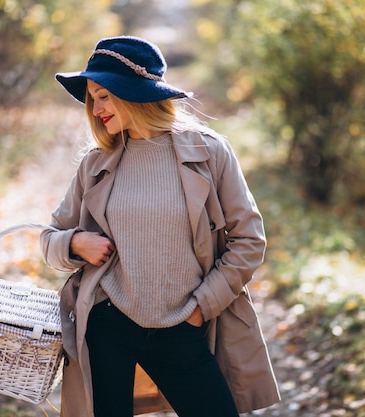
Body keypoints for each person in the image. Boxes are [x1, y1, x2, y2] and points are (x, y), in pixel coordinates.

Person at [40, 36, 280, 417]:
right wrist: (75, 243)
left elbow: (249, 240)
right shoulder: (96, 163)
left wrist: (202, 307)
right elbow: (49, 238)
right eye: (91, 97)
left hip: (182, 328)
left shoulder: (209, 151)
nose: (95, 108)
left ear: (132, 91)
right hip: (108, 328)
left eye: (103, 95)